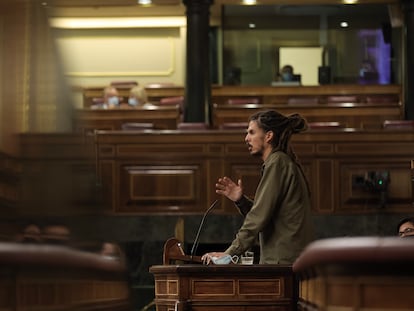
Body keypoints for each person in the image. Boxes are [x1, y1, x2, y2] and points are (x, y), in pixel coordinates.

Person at [201, 110, 314, 265]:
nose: (246, 138)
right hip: (286, 260)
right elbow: (266, 215)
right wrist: (241, 200)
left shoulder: (277, 163)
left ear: (268, 136)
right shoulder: (280, 162)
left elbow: (259, 218)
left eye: (252, 132)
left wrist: (229, 254)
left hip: (282, 263)